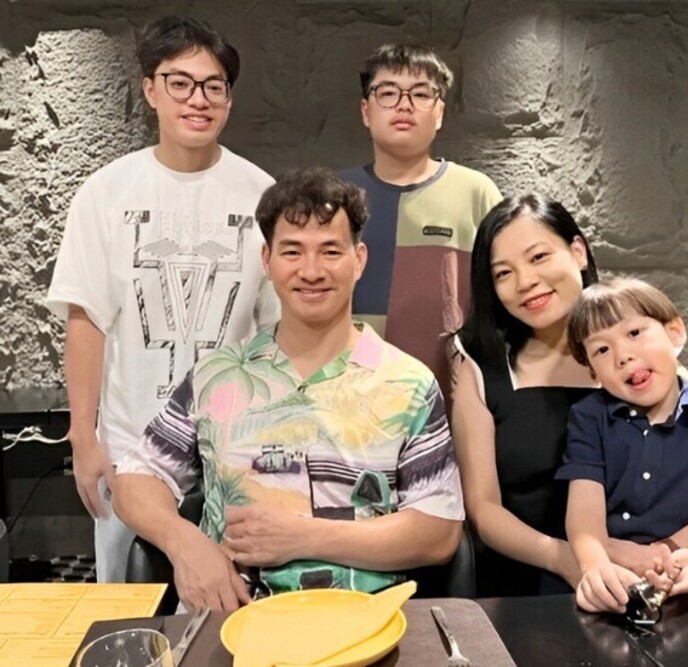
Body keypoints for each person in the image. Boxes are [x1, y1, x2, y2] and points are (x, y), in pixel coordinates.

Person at [113, 167, 464, 612]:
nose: (311, 271)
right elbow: (136, 479)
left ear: (359, 259)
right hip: (233, 623)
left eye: (330, 251)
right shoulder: (218, 376)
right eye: (292, 251)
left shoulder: (408, 384)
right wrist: (184, 542)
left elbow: (439, 531)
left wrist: (301, 537)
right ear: (267, 260)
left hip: (365, 626)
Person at [44, 15, 279, 582]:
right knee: (130, 601)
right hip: (130, 447)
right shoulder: (105, 193)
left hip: (235, 448)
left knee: (233, 596)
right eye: (180, 82)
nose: (198, 99)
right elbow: (87, 319)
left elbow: (277, 330)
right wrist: (84, 437)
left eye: (214, 85)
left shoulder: (263, 194)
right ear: (150, 90)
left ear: (229, 99)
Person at [452, 194, 688, 597]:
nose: (525, 282)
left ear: (578, 252)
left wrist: (660, 556)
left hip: (656, 580)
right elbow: (484, 510)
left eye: (539, 257)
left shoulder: (644, 361)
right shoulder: (479, 366)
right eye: (504, 273)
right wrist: (569, 560)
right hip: (527, 587)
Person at [559, 277, 688, 613]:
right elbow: (584, 513)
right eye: (602, 350)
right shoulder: (588, 418)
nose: (623, 356)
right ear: (593, 372)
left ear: (674, 333)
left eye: (634, 333)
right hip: (613, 587)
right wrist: (595, 567)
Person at [340, 43, 502, 394]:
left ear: (439, 112)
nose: (404, 105)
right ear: (366, 111)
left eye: (421, 94)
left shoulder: (476, 192)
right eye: (388, 93)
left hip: (450, 392)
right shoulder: (334, 195)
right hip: (346, 393)